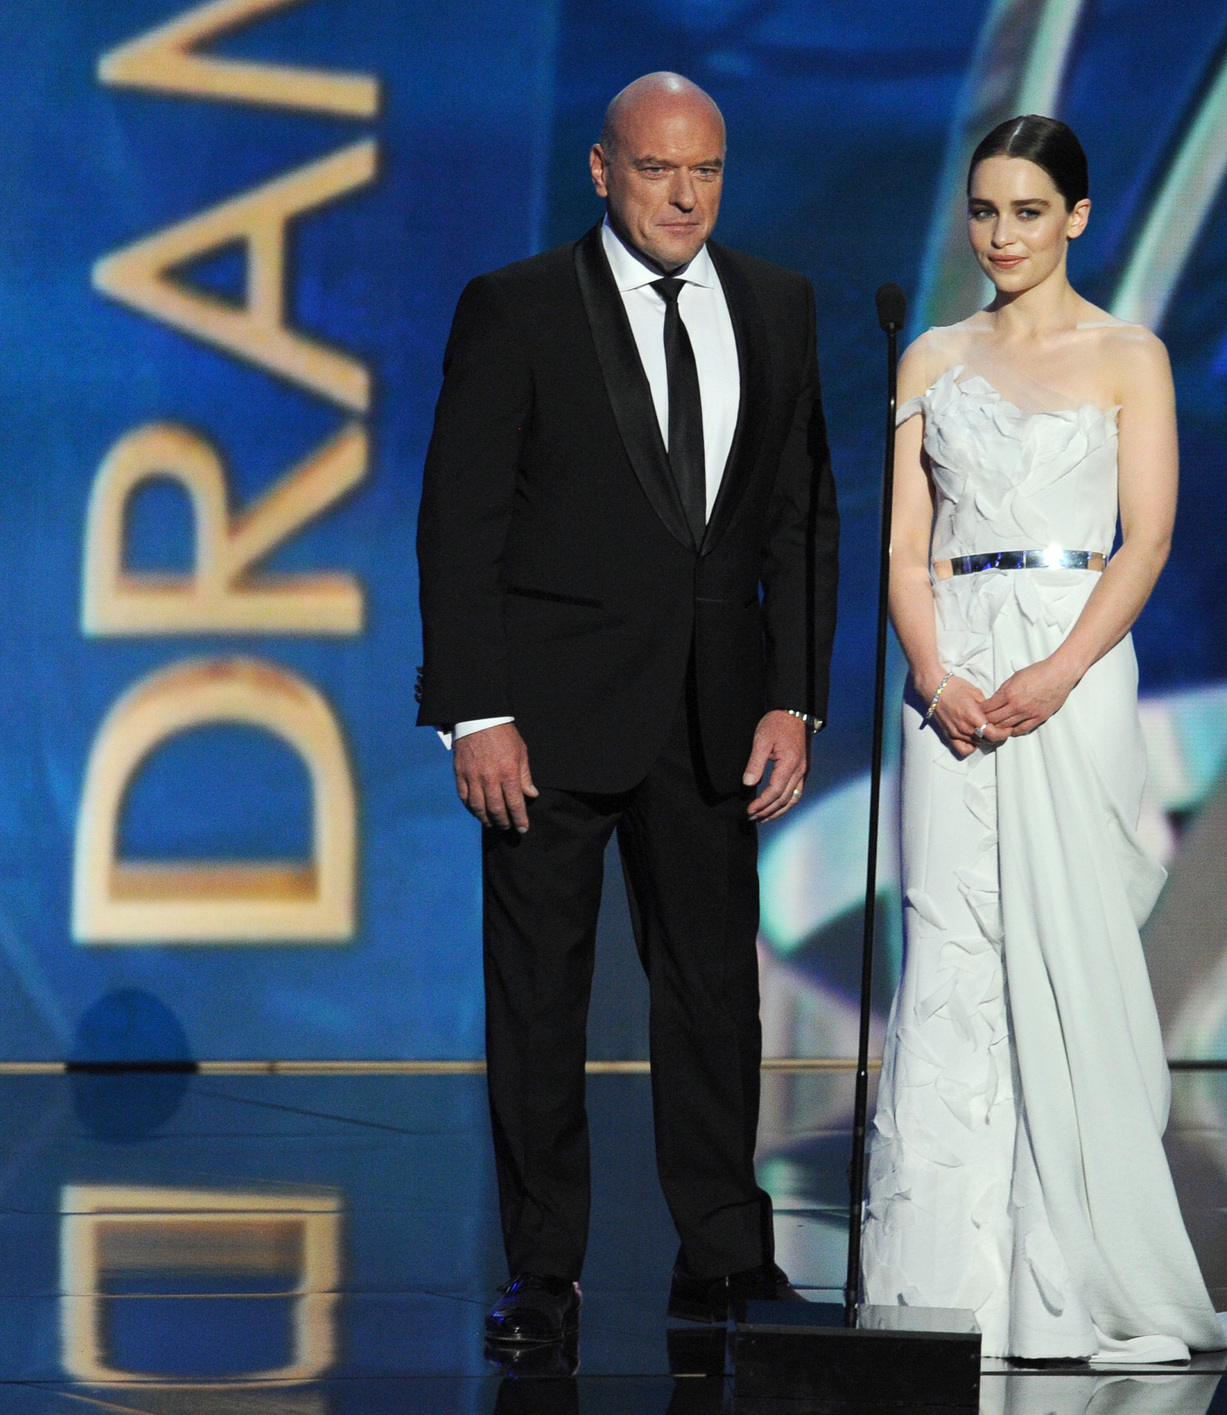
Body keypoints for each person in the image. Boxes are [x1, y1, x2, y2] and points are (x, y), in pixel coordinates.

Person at [415, 72, 838, 1345]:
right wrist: (474, 709)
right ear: (603, 171)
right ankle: (543, 1268)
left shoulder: (777, 303)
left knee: (713, 989)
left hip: (715, 715)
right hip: (544, 723)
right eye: (658, 170)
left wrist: (795, 700)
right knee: (541, 995)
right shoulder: (518, 307)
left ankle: (723, 1253)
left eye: (704, 170)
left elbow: (799, 520)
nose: (683, 194)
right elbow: (459, 521)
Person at [861, 115, 1227, 1365]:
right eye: (983, 210)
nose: (1002, 234)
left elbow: (1146, 540)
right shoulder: (928, 356)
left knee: (1064, 951)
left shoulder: (1128, 356)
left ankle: (1070, 1279)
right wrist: (935, 670)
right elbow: (905, 546)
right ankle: (939, 1287)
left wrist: (1058, 669)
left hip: (1071, 662)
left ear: (1075, 216)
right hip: (953, 674)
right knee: (953, 944)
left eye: (1027, 210)